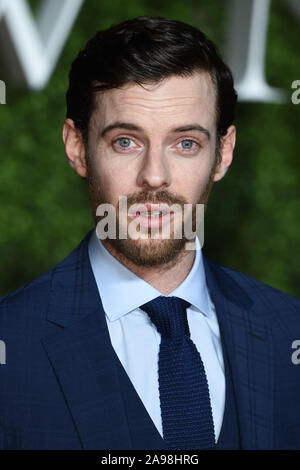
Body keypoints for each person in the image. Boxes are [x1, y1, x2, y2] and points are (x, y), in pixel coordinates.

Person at [0, 16, 299, 451]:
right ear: (77, 147)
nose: (154, 176)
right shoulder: (11, 344)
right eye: (126, 141)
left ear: (223, 153)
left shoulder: (288, 331)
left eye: (186, 144)